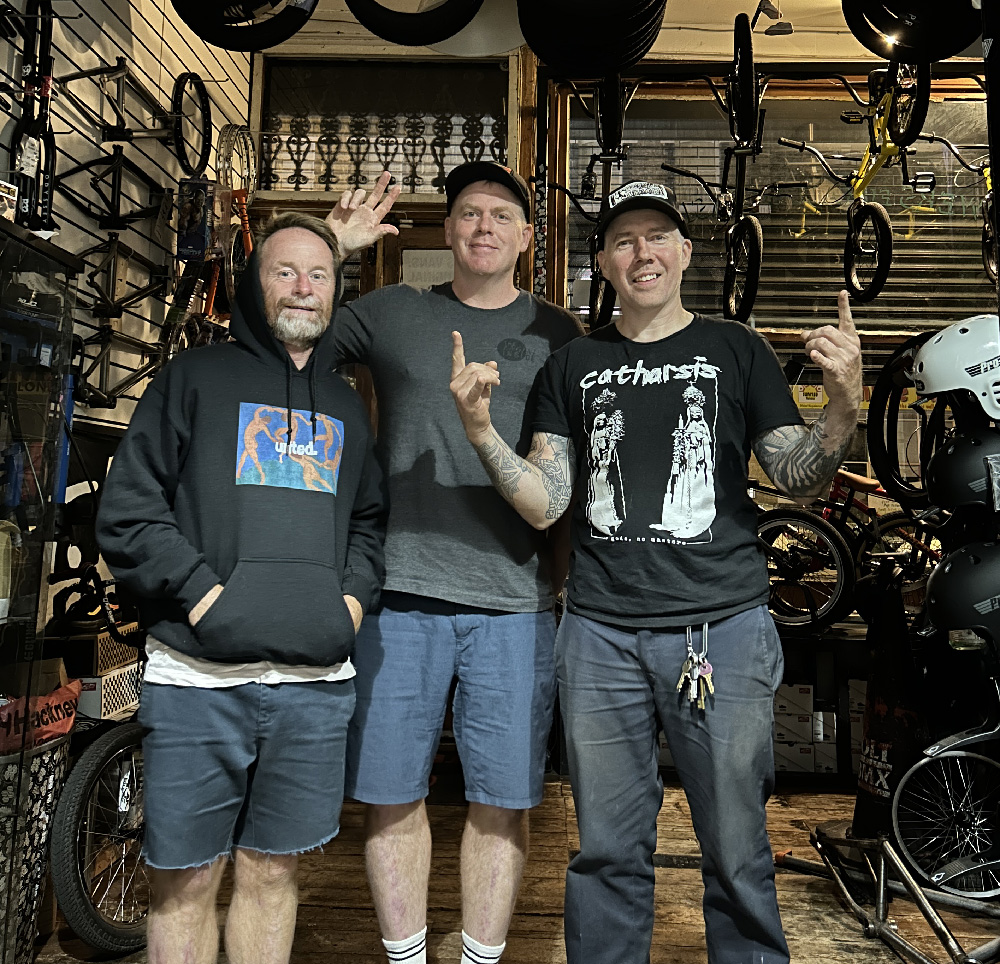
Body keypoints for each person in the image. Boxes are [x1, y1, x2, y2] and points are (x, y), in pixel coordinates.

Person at [450, 179, 863, 964]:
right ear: (604, 261)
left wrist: (843, 405)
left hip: (722, 631)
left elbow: (796, 477)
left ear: (684, 252)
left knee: (737, 844)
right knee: (606, 849)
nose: (642, 252)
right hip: (599, 636)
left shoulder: (737, 350)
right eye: (624, 240)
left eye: (658, 236)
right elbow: (547, 502)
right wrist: (481, 435)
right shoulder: (573, 365)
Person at [96, 212, 388, 964]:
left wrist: (348, 606)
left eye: (318, 275)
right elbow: (129, 511)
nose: (303, 287)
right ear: (254, 287)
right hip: (197, 682)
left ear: (336, 293)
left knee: (272, 874)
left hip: (315, 687)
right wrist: (203, 595)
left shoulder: (347, 404)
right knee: (184, 883)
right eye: (284, 271)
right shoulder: (194, 378)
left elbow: (369, 523)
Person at [323, 161, 583, 964]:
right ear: (447, 229)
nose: (483, 226)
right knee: (390, 793)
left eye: (501, 214)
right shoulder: (392, 312)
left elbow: (572, 472)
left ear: (527, 237)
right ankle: (405, 958)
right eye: (469, 211)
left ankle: (479, 959)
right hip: (398, 593)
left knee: (502, 801)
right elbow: (279, 338)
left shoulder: (562, 336)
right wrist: (331, 248)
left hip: (517, 600)